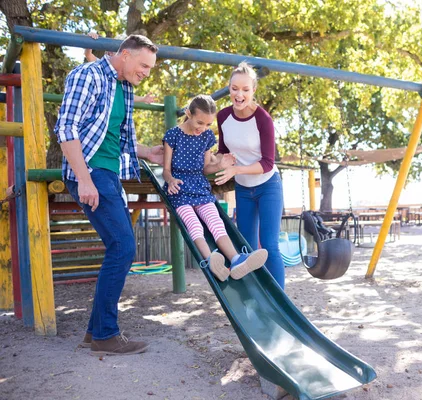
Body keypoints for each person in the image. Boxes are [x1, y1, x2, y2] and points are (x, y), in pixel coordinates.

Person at [54, 34, 163, 356]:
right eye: (143, 65)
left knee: (119, 246)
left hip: (109, 173)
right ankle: (105, 333)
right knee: (124, 246)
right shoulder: (87, 75)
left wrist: (149, 153)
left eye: (150, 67)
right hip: (91, 172)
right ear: (125, 55)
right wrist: (85, 180)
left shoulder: (125, 88)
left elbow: (115, 137)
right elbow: (66, 128)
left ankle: (94, 331)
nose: (146, 72)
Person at [162, 95, 268, 281]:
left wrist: (220, 165)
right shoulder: (173, 135)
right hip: (179, 189)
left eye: (208, 124)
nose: (202, 128)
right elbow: (166, 170)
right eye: (199, 122)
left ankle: (236, 260)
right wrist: (170, 181)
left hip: (200, 187)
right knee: (194, 224)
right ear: (188, 113)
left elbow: (205, 169)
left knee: (216, 222)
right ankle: (210, 260)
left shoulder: (206, 137)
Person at [215, 62, 285, 289]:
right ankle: (255, 294)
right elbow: (223, 152)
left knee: (269, 245)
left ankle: (280, 301)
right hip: (244, 189)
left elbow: (267, 163)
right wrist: (216, 161)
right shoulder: (223, 116)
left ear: (253, 90)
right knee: (246, 246)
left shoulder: (262, 119)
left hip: (268, 185)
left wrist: (236, 170)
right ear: (229, 88)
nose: (239, 94)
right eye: (235, 88)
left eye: (245, 89)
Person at [84, 33, 156, 104]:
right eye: (118, 51)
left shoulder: (125, 80)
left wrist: (143, 99)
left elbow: (129, 97)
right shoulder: (101, 69)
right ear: (109, 53)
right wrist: (91, 40)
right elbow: (88, 55)